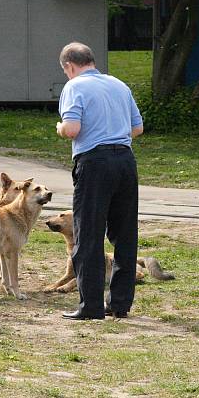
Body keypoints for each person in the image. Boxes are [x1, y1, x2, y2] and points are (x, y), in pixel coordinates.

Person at [56, 42, 144, 320]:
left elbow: (72, 129)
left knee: (89, 235)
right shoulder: (119, 85)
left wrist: (60, 128)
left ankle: (91, 306)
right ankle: (120, 303)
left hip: (94, 163)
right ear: (91, 60)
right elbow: (137, 128)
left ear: (69, 66)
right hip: (125, 162)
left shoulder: (74, 87)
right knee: (125, 236)